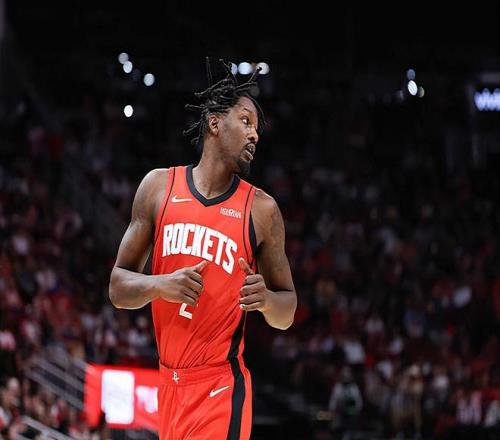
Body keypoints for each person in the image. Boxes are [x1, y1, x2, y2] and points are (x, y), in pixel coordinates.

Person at [108, 59, 297, 440]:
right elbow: (117, 288)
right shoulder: (158, 188)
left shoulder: (261, 210)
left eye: (257, 129)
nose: (254, 135)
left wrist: (265, 301)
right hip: (169, 386)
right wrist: (160, 285)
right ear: (214, 123)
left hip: (220, 387)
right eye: (245, 121)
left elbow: (287, 310)